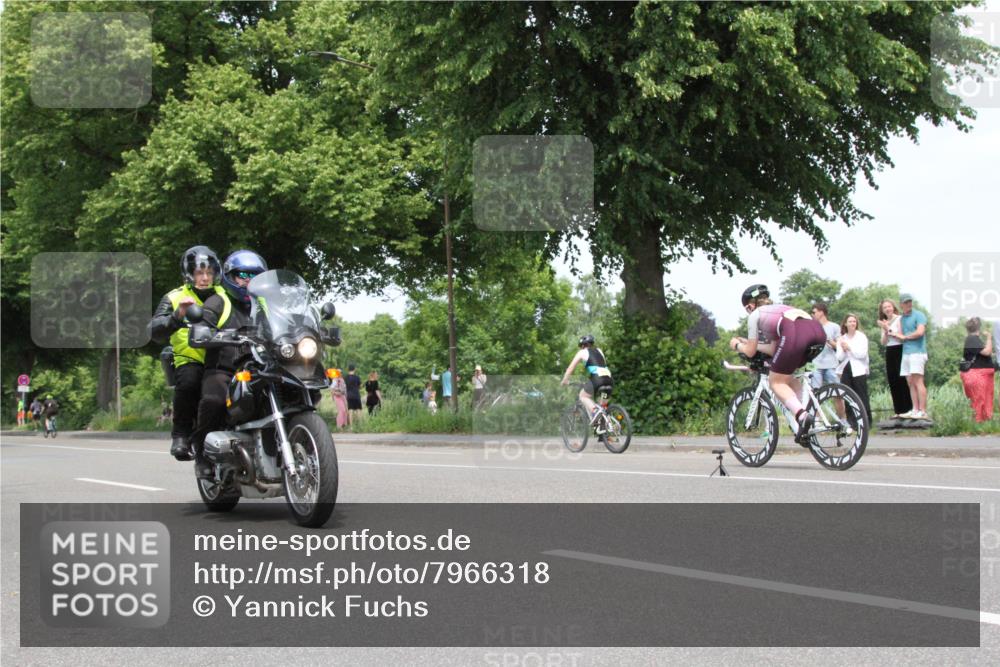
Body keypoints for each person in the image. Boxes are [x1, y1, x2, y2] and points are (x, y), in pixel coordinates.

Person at [189, 250, 268, 479]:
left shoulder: (264, 304)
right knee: (213, 400)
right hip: (225, 369)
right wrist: (205, 334)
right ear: (230, 277)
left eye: (254, 275)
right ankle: (202, 453)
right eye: (242, 274)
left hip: (259, 368)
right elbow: (201, 326)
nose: (248, 280)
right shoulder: (218, 301)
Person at [149, 245, 226, 460]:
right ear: (190, 274)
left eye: (209, 272)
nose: (204, 278)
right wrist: (177, 315)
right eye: (199, 273)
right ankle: (181, 435)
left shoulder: (225, 294)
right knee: (190, 381)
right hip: (189, 357)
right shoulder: (175, 297)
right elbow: (154, 330)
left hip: (222, 358)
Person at [729, 284, 827, 440]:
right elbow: (775, 348)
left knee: (776, 382)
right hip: (818, 332)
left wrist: (736, 345)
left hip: (794, 333)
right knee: (787, 378)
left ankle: (802, 416)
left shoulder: (755, 315)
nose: (748, 311)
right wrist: (749, 342)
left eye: (747, 307)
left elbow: (750, 351)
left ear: (752, 304)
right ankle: (809, 419)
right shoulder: (779, 308)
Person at [560, 334, 613, 430]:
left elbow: (570, 368)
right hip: (609, 379)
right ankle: (608, 431)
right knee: (603, 408)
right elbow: (600, 365)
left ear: (582, 345)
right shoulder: (599, 351)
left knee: (583, 396)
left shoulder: (582, 352)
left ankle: (594, 411)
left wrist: (565, 380)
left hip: (597, 379)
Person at [894, 293, 929, 420]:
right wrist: (892, 332)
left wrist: (905, 337)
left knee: (918, 381)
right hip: (906, 352)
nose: (909, 304)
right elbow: (902, 336)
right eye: (906, 302)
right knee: (910, 381)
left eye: (910, 301)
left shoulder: (919, 315)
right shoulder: (902, 319)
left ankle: (923, 411)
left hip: (918, 352)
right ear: (901, 305)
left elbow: (920, 332)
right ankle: (915, 409)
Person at [876, 298, 912, 418]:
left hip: (900, 349)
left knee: (902, 378)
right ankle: (899, 410)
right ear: (882, 310)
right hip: (890, 350)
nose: (887, 309)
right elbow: (883, 342)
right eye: (884, 307)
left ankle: (908, 408)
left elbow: (901, 337)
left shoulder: (900, 319)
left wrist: (888, 329)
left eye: (889, 306)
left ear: (893, 307)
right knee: (892, 379)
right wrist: (885, 330)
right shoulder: (884, 322)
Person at [835, 314, 872, 424]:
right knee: (848, 395)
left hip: (859, 368)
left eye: (854, 322)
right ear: (845, 324)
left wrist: (849, 348)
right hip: (846, 368)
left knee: (861, 395)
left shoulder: (861, 337)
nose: (852, 324)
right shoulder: (842, 338)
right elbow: (840, 357)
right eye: (850, 321)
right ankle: (852, 421)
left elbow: (862, 354)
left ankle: (866, 421)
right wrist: (842, 347)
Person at [960, 317, 994, 422]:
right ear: (979, 328)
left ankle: (983, 423)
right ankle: (977, 424)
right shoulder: (972, 339)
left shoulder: (974, 340)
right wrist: (989, 338)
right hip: (976, 375)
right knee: (978, 401)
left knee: (980, 401)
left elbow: (983, 355)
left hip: (978, 375)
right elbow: (987, 352)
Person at [809, 302, 841, 389]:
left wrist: (828, 340)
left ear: (821, 312)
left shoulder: (835, 326)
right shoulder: (811, 327)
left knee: (837, 392)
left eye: (814, 312)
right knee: (814, 392)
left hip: (831, 364)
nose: (812, 315)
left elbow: (839, 347)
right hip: (814, 364)